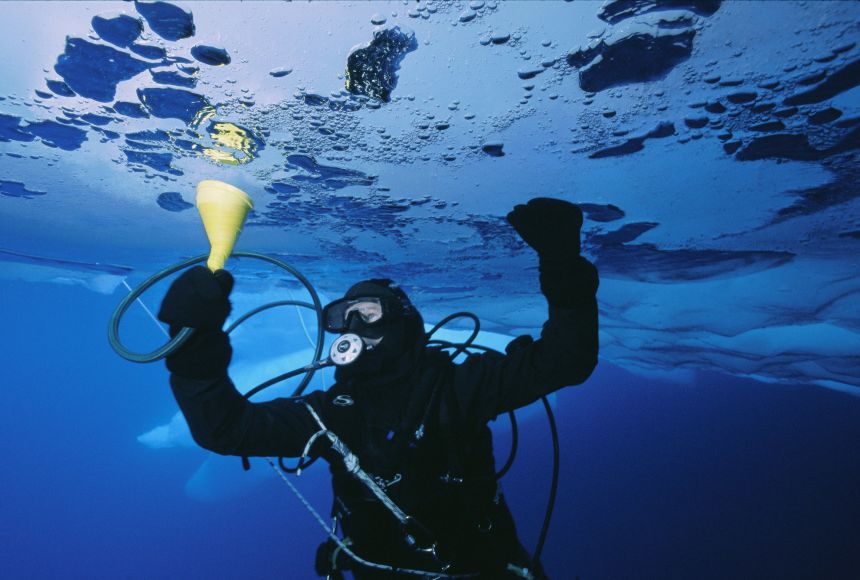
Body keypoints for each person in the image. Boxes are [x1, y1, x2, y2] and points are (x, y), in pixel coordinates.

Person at [157, 198, 599, 579]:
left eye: (366, 313)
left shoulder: (460, 386)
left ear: (403, 322)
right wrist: (195, 354)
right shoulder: (331, 411)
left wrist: (562, 264)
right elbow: (227, 430)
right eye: (342, 317)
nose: (351, 327)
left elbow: (565, 360)